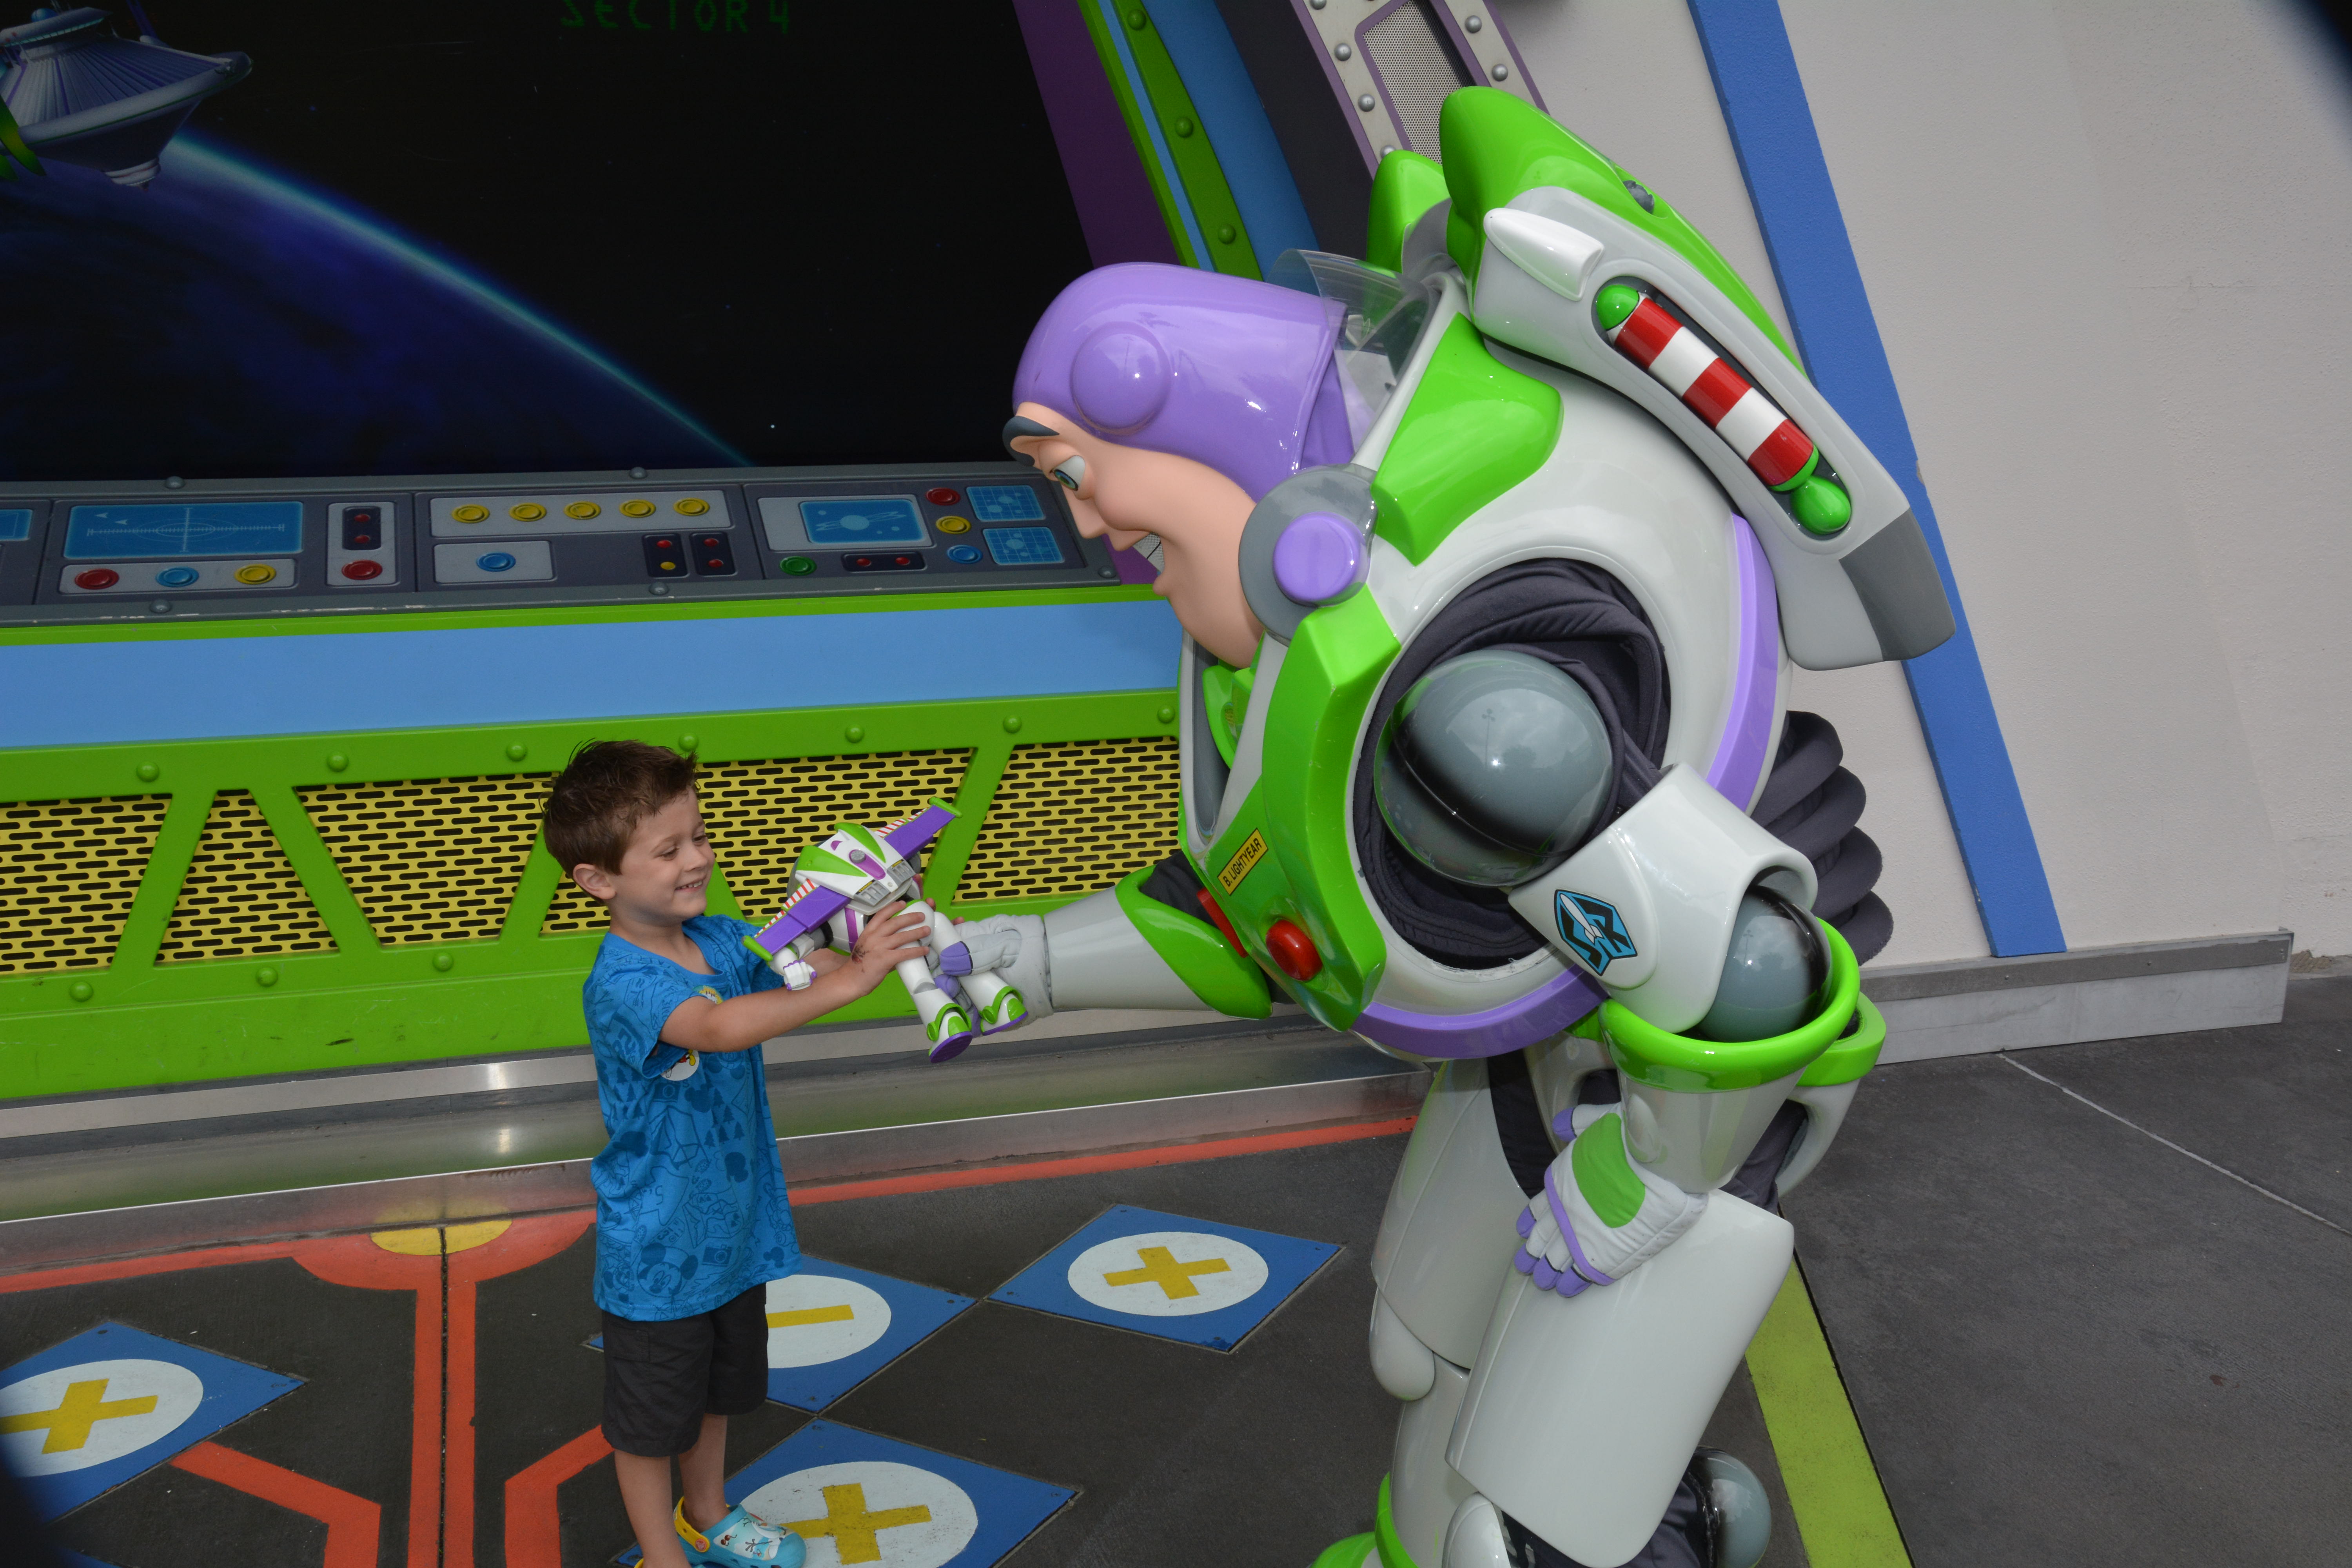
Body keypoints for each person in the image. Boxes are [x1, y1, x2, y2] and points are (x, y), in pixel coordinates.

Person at [544, 740, 929, 1568]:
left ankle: (709, 1513)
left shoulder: (720, 938)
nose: (698, 858)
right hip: (659, 1249)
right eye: (668, 849)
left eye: (700, 835)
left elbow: (795, 970)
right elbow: (716, 1027)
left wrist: (852, 928)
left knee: (717, 1391)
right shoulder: (622, 981)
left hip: (732, 1229)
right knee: (651, 1422)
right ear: (599, 880)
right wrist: (851, 980)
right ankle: (662, 1555)